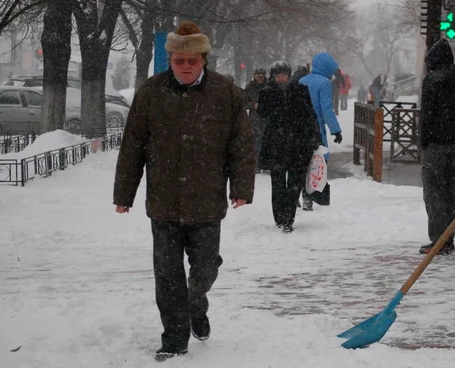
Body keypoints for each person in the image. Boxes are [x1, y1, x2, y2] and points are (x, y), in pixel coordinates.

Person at [112, 20, 256, 362]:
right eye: (179, 60)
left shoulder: (226, 94)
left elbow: (242, 145)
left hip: (207, 203)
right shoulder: (150, 93)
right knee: (167, 277)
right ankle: (175, 340)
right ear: (171, 59)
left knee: (203, 270)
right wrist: (124, 195)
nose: (186, 66)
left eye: (192, 59)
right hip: (163, 203)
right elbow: (133, 146)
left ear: (204, 58)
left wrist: (241, 187)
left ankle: (197, 302)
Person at [418, 39, 455, 255]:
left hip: (435, 145)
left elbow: (428, 115)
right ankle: (448, 238)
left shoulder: (432, 82)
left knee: (433, 193)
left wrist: (425, 140)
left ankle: (438, 240)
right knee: (449, 192)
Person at [257, 61, 322, 232]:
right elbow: (261, 114)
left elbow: (310, 115)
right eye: (278, 76)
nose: (281, 79)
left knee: (294, 183)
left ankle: (288, 219)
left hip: (298, 143)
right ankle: (279, 216)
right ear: (273, 76)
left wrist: (316, 137)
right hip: (276, 144)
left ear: (289, 75)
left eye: (284, 75)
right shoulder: (266, 92)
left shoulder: (300, 90)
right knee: (277, 183)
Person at [299, 52, 343, 211]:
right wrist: (335, 130)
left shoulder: (302, 80)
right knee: (317, 161)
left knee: (302, 162)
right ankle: (310, 195)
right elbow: (326, 109)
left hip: (300, 128)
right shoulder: (324, 83)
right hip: (316, 128)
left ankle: (300, 194)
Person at [245, 68, 269, 171]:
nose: (260, 78)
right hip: (254, 118)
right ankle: (256, 164)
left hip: (267, 117)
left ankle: (266, 164)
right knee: (256, 141)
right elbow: (244, 102)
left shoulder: (269, 86)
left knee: (267, 140)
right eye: (258, 76)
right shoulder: (250, 87)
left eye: (262, 76)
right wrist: (252, 105)